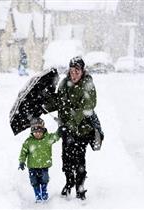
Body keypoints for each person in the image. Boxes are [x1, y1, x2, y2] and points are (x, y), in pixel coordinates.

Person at [43, 56, 98, 200]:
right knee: (66, 158)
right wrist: (44, 102)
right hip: (66, 129)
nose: (73, 74)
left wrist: (71, 125)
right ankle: (69, 182)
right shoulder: (64, 83)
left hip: (82, 130)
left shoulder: (88, 84)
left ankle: (80, 187)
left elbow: (86, 108)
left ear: (82, 70)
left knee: (79, 159)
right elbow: (59, 102)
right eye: (71, 70)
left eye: (77, 71)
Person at [18, 117, 60, 202]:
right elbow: (23, 152)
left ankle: (44, 192)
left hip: (44, 165)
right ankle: (37, 194)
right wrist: (22, 161)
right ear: (32, 132)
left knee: (44, 179)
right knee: (34, 181)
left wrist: (60, 128)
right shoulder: (28, 141)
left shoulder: (48, 138)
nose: (37, 134)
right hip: (32, 166)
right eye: (35, 132)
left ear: (43, 130)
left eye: (39, 132)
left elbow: (56, 136)